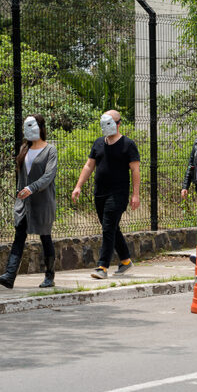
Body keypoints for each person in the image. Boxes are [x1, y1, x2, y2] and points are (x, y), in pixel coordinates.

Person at [0, 115, 58, 289]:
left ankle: (49, 277)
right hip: (24, 203)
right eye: (25, 127)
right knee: (19, 236)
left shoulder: (50, 150)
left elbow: (49, 176)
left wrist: (32, 188)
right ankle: (9, 276)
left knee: (45, 237)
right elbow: (21, 176)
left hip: (43, 202)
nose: (27, 130)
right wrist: (21, 193)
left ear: (40, 127)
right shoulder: (24, 148)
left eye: (31, 125)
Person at [72, 110, 140, 279]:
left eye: (110, 123)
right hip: (100, 193)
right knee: (111, 228)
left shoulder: (128, 144)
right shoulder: (98, 144)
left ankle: (102, 266)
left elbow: (135, 170)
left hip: (118, 194)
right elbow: (89, 166)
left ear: (118, 124)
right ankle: (125, 260)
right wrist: (78, 186)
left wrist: (135, 194)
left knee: (108, 228)